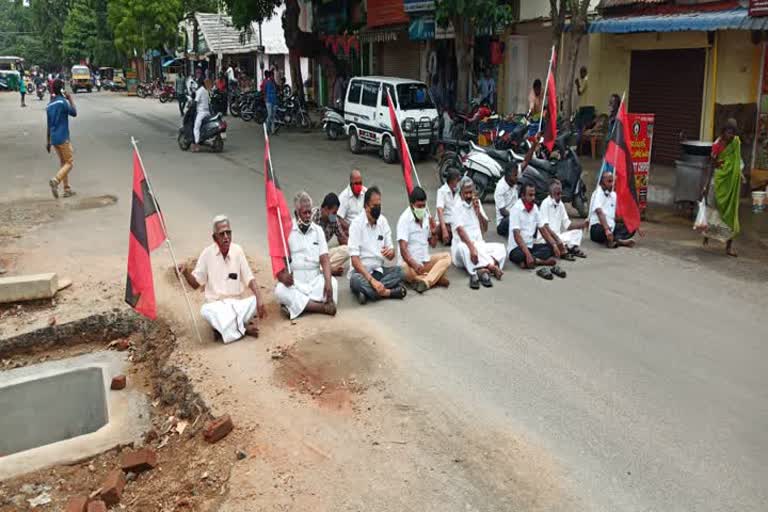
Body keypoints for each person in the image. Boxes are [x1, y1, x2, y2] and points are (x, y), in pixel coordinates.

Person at [179, 216, 266, 343]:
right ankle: (242, 329)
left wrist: (259, 298)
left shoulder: (238, 250)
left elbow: (249, 278)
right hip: (217, 306)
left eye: (228, 233)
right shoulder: (207, 254)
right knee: (205, 310)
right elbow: (196, 284)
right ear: (215, 238)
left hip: (236, 305)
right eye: (222, 234)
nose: (226, 237)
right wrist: (186, 273)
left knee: (253, 301)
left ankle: (224, 329)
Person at [275, 192, 338, 320]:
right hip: (296, 282)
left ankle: (298, 306)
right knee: (280, 291)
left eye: (310, 212)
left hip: (314, 280)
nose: (308, 216)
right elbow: (279, 261)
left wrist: (328, 282)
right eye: (305, 213)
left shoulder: (317, 230)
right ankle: (320, 307)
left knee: (334, 283)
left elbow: (325, 259)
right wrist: (283, 276)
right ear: (297, 213)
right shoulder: (286, 231)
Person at [348, 187, 407, 304]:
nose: (377, 209)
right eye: (374, 206)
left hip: (379, 271)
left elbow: (391, 253)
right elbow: (355, 260)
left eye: (379, 205)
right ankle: (389, 292)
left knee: (401, 271)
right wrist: (371, 280)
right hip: (362, 273)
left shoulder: (383, 222)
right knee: (355, 280)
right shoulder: (356, 225)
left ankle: (368, 293)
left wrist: (391, 253)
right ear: (365, 206)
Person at [452, 177, 506, 289]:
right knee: (463, 247)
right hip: (464, 249)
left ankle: (481, 269)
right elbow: (461, 232)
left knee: (501, 249)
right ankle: (491, 266)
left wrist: (478, 213)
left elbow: (485, 229)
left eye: (470, 192)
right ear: (461, 192)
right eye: (465, 193)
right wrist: (472, 249)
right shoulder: (456, 206)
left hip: (479, 247)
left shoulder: (477, 203)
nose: (468, 196)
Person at [701, 118, 744, 257]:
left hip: (731, 184)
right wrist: (706, 185)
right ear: (723, 131)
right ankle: (707, 236)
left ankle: (729, 247)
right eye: (728, 131)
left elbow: (738, 163)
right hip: (717, 182)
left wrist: (740, 175)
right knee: (713, 211)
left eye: (732, 132)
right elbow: (712, 164)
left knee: (731, 215)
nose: (730, 135)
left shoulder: (736, 143)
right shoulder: (717, 144)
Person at [397, 187, 451, 293]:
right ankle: (434, 278)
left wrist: (435, 232)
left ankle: (426, 281)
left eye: (424, 205)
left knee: (447, 257)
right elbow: (403, 250)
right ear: (412, 205)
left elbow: (433, 244)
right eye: (419, 206)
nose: (422, 208)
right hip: (410, 265)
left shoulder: (426, 216)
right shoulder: (404, 219)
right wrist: (414, 265)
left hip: (424, 261)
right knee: (403, 270)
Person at [507, 183, 564, 280]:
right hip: (517, 248)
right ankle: (541, 262)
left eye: (534, 195)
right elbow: (517, 236)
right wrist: (528, 255)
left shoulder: (535, 209)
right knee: (518, 255)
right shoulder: (516, 209)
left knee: (549, 248)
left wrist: (554, 245)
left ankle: (529, 262)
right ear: (522, 196)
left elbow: (543, 230)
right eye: (530, 195)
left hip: (530, 246)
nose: (533, 198)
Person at [538, 180, 588, 260]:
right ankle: (567, 249)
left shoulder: (560, 204)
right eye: (557, 194)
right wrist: (557, 240)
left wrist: (583, 224)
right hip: (547, 238)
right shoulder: (545, 203)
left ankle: (569, 249)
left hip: (559, 236)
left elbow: (567, 225)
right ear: (551, 194)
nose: (560, 196)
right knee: (551, 245)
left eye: (561, 193)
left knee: (578, 232)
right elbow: (545, 227)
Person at [46, 79, 77, 199]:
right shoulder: (63, 102)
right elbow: (74, 113)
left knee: (63, 163)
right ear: (62, 89)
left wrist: (48, 142)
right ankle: (56, 180)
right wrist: (70, 99)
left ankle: (67, 189)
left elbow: (48, 125)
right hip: (63, 137)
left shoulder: (49, 105)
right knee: (69, 163)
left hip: (54, 139)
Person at [589, 170, 636, 248]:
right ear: (601, 183)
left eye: (613, 181)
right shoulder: (597, 193)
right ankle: (617, 240)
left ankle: (615, 239)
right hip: (598, 228)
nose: (612, 184)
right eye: (609, 181)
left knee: (631, 227)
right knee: (601, 231)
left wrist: (633, 223)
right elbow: (599, 212)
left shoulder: (613, 195)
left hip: (612, 227)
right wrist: (607, 229)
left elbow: (616, 216)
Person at [312, 192, 350, 276]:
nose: (335, 215)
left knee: (347, 250)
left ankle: (322, 269)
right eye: (334, 212)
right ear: (325, 209)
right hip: (309, 254)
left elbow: (343, 238)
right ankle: (328, 270)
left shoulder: (333, 219)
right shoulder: (313, 216)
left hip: (322, 254)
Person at [436, 167, 461, 245]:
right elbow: (440, 210)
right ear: (452, 181)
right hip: (445, 224)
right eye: (458, 180)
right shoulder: (442, 191)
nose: (459, 182)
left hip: (456, 223)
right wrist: (444, 230)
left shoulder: (459, 191)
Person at [494, 165, 519, 237]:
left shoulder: (513, 183)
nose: (517, 177)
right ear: (508, 175)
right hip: (503, 222)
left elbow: (525, 163)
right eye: (515, 175)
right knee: (510, 219)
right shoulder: (500, 188)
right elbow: (503, 212)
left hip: (514, 216)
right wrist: (518, 217)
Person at [192, 79, 211, 152]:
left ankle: (196, 145)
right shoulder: (206, 91)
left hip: (201, 112)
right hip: (207, 112)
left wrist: (192, 106)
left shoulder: (200, 91)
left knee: (196, 128)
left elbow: (195, 101)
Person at [264, 71, 278, 135]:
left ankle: (273, 131)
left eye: (273, 75)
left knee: (273, 116)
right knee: (269, 115)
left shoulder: (274, 83)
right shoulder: (267, 82)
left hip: (274, 101)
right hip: (269, 101)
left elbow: (277, 89)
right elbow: (264, 91)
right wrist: (265, 98)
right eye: (272, 75)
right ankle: (267, 128)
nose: (273, 77)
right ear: (270, 76)